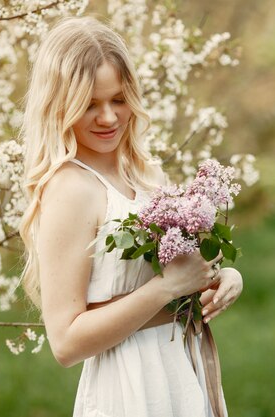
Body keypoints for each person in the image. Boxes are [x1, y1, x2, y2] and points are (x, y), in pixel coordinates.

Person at [17, 15, 243, 417]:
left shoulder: (144, 173)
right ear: (60, 106)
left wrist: (220, 279)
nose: (108, 118)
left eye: (118, 99)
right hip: (130, 384)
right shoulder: (71, 189)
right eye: (89, 105)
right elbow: (65, 342)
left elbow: (176, 276)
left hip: (180, 368)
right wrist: (166, 289)